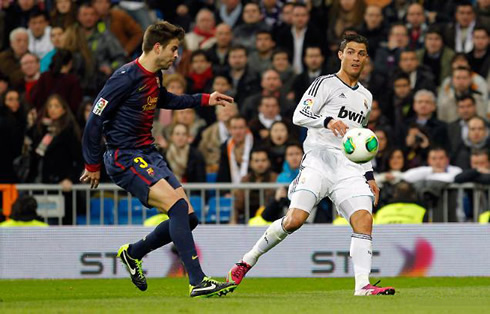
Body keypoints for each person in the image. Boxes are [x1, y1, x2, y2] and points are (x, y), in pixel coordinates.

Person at [225, 34, 395, 296]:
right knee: (294, 220)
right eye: (350, 52)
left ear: (366, 58)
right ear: (341, 55)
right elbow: (298, 115)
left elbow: (359, 139)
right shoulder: (324, 84)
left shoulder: (365, 97)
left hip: (349, 168)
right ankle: (246, 261)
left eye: (361, 53)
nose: (356, 58)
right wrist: (327, 121)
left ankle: (363, 285)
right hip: (318, 160)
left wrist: (369, 174)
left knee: (364, 219)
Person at [79, 21, 236, 297]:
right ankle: (198, 281)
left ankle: (133, 253)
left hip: (148, 153)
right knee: (176, 207)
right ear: (157, 47)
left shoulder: (154, 77)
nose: (177, 55)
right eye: (174, 49)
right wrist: (92, 165)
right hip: (124, 156)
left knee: (188, 217)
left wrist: (204, 99)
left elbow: (166, 100)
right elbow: (94, 121)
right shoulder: (124, 77)